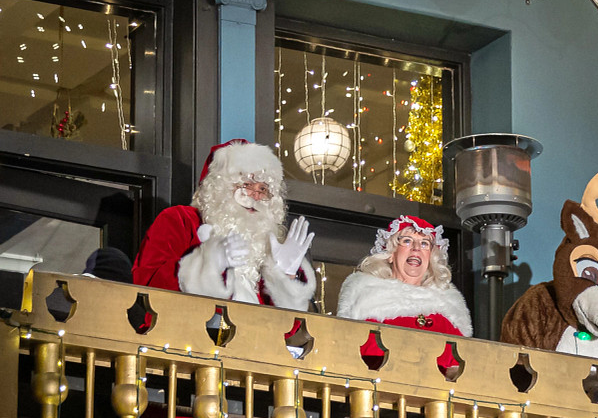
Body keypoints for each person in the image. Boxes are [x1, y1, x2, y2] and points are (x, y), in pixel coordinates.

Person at [133, 139, 317, 309]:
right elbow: (146, 287)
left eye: (263, 189)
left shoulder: (266, 247)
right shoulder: (181, 220)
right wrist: (208, 264)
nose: (255, 195)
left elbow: (285, 331)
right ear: (221, 185)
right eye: (247, 183)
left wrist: (284, 278)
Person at [333, 215, 472, 336]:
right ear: (391, 255)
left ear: (431, 258)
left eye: (424, 243)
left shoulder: (448, 309)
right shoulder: (365, 297)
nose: (416, 248)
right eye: (407, 241)